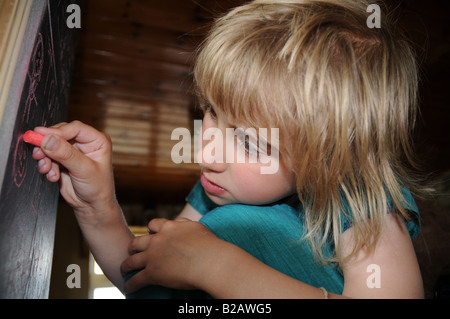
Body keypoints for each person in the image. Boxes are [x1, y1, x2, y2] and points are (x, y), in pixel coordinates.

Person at [33, 0, 426, 298]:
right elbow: (143, 282)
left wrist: (218, 267)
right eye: (210, 111)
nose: (206, 155)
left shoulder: (360, 204)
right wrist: (97, 206)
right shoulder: (217, 191)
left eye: (250, 142)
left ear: (331, 161)